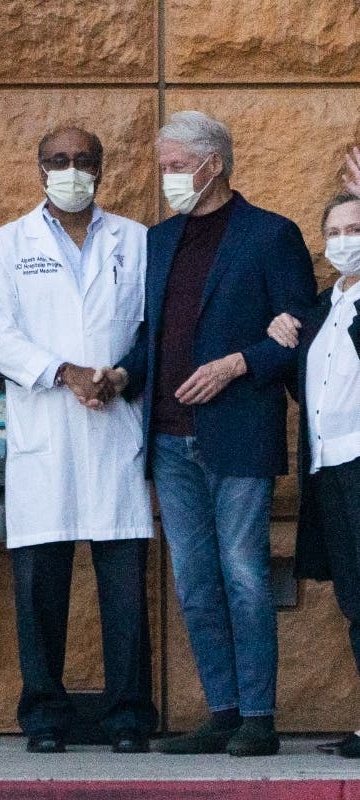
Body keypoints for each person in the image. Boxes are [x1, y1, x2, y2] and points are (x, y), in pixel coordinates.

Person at [106, 111, 316, 756]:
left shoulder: (271, 235)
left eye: (175, 166)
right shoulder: (159, 241)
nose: (166, 177)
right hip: (168, 437)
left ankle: (258, 716)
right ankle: (221, 711)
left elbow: (300, 326)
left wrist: (237, 363)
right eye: (162, 166)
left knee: (244, 573)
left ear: (213, 164)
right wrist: (119, 374)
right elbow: (153, 335)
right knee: (194, 581)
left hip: (237, 434)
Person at [0, 126, 158, 754]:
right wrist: (63, 371)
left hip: (114, 427)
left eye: (83, 160)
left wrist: (120, 374)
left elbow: (152, 329)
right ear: (38, 170)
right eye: (58, 161)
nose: (70, 170)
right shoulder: (6, 244)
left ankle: (130, 717)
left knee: (124, 587)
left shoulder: (136, 241)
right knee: (39, 590)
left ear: (102, 170)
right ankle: (44, 718)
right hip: (44, 434)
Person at [266, 189, 360, 758]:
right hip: (330, 467)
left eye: (357, 227)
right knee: (355, 597)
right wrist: (284, 336)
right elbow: (310, 389)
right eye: (335, 231)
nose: (344, 241)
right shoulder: (324, 306)